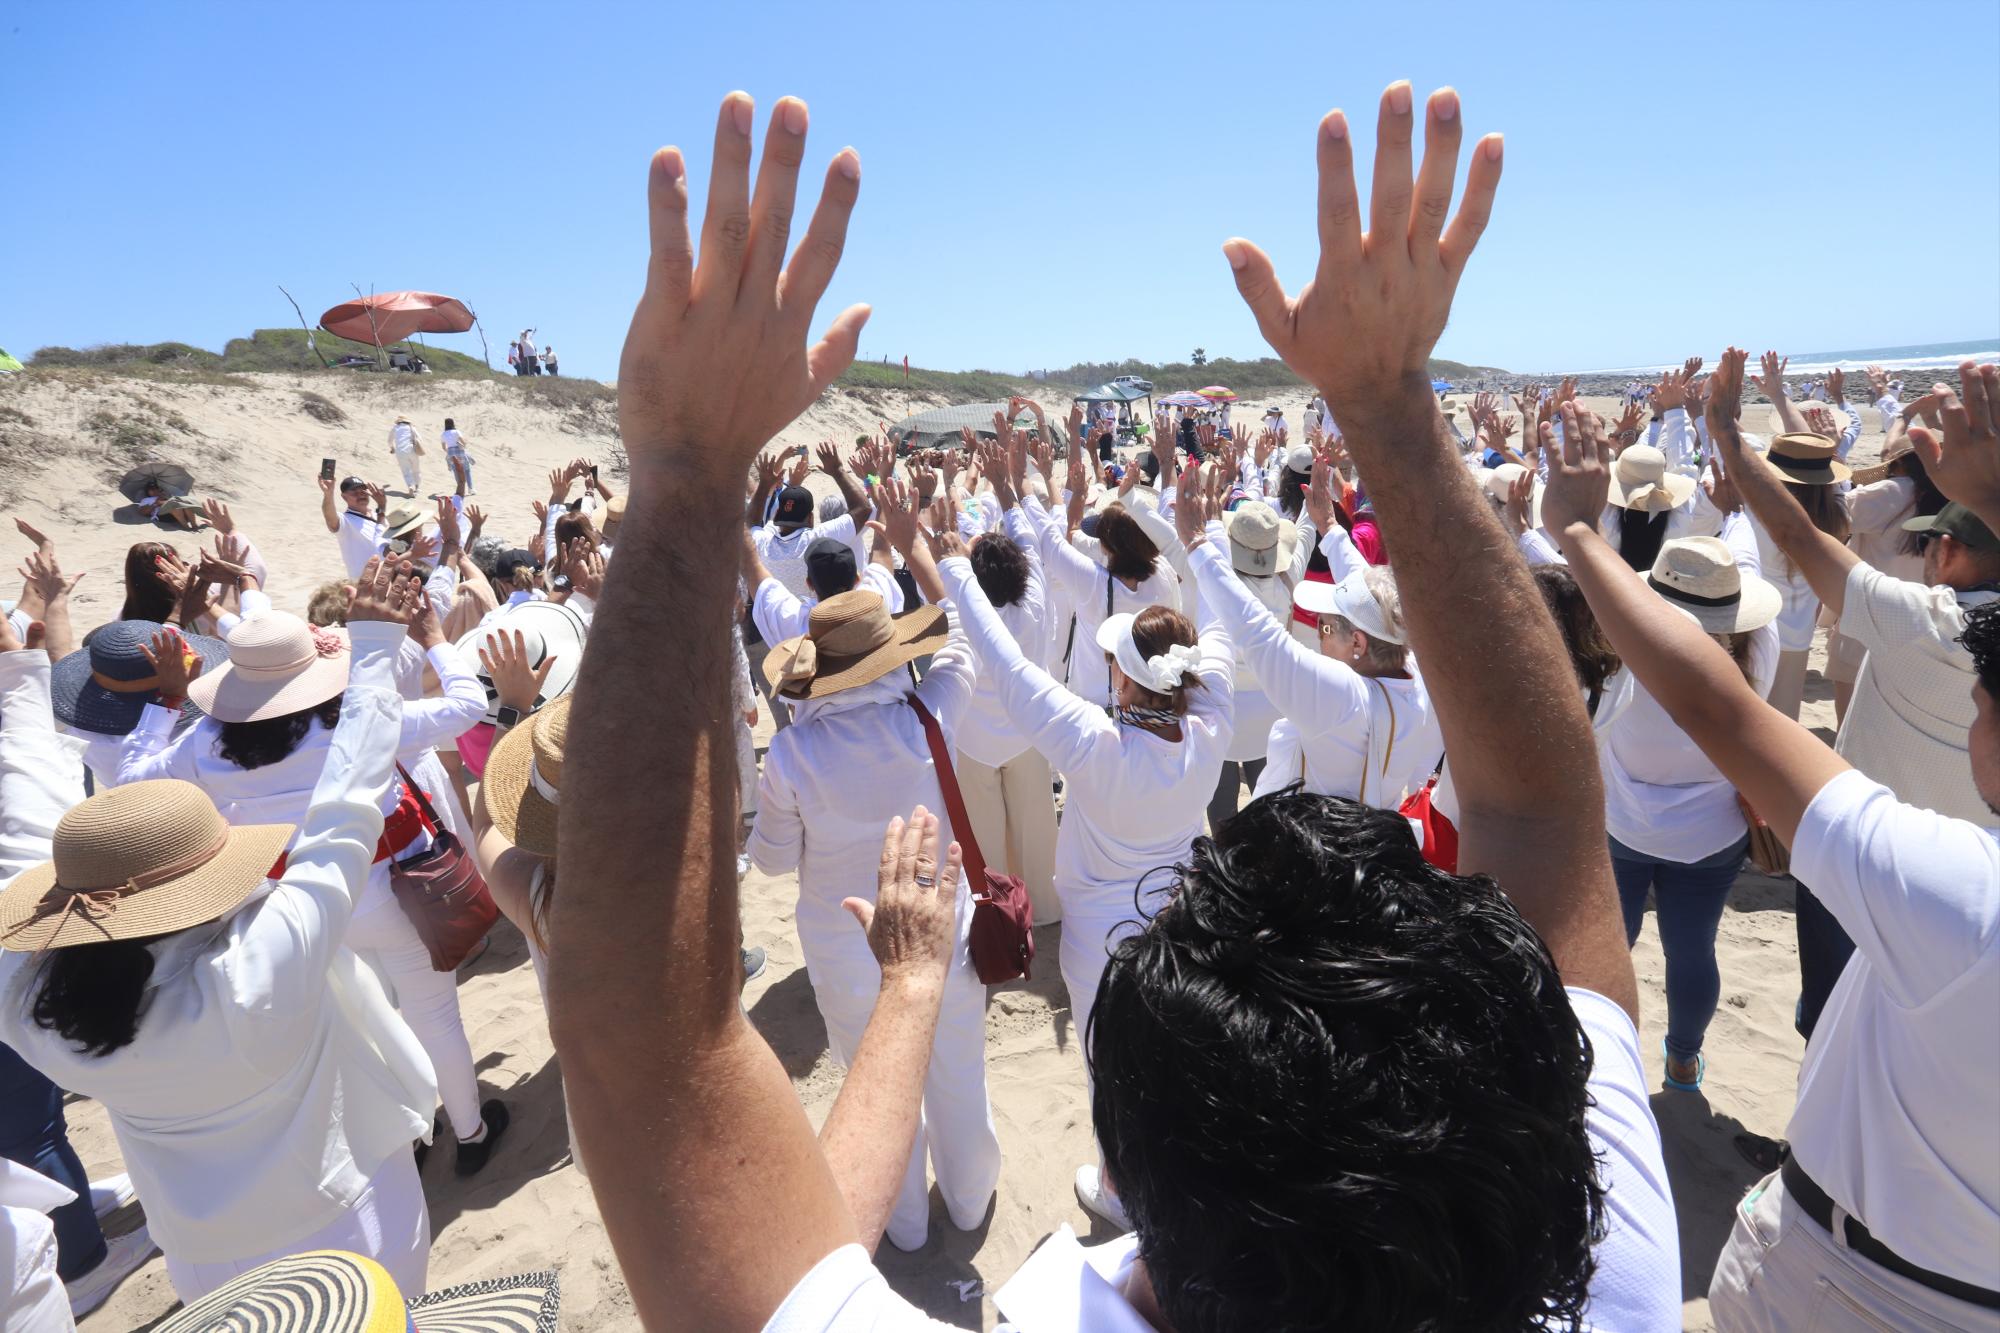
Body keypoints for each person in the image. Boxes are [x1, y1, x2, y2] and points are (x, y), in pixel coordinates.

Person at [549, 86, 1679, 1332]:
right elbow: (1540, 804)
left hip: (1086, 922)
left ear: (1142, 1188)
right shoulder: (1606, 1256)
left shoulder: (1102, 734)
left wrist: (689, 475)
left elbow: (647, 1054)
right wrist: (1395, 410)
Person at [1547, 352, 1999, 1330]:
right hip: (1955, 1291)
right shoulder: (1953, 878)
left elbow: (1719, 698)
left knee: (1674, 971)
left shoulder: (1956, 887)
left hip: (1852, 1281)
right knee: (1711, 960)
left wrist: (1578, 535)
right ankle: (1680, 1068)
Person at [0, 560, 443, 1302]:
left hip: (201, 1256)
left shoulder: (34, 1002)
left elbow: (24, 842)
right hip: (346, 1218)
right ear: (200, 883)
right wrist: (371, 647)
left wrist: (17, 686)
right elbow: (350, 798)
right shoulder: (257, 964)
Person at [114, 600, 506, 1174]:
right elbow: (470, 706)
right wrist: (434, 638)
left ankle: (415, 1136)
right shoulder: (360, 720)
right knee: (434, 1015)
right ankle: (470, 1135)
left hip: (299, 909)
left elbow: (129, 780)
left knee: (370, 1022)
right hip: (397, 892)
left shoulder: (207, 744)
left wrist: (167, 698)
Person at [746, 478, 1000, 1253]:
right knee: (955, 1062)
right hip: (938, 924)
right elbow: (963, 642)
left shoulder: (793, 751)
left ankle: (907, 1223)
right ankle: (968, 1197)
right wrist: (917, 545)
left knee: (872, 1076)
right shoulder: (930, 715)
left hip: (843, 939)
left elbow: (774, 862)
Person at [1710, 371, 2000, 1044]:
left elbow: (1795, 531)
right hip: (1962, 880)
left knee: (1829, 1012)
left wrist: (1726, 436)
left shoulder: (1918, 620)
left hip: (1860, 858)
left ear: (1948, 548)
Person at [320, 476, 388, 579]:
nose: (360, 495)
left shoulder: (378, 515)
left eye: (363, 492)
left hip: (387, 578)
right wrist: (328, 493)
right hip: (365, 584)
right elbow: (330, 518)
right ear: (344, 497)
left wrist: (382, 506)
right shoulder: (346, 521)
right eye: (354, 492)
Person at [387, 417, 422, 496]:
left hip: (400, 452)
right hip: (412, 450)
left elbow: (389, 440)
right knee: (416, 469)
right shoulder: (411, 427)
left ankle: (410, 486)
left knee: (406, 470)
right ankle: (417, 487)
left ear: (398, 422)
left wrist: (392, 448)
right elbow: (419, 438)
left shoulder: (395, 428)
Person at [439, 418, 475, 496]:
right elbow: (463, 442)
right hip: (459, 451)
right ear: (453, 424)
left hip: (450, 452)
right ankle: (470, 489)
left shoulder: (443, 434)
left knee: (456, 471)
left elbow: (443, 447)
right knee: (467, 470)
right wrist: (464, 444)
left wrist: (449, 451)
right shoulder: (456, 432)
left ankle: (461, 490)